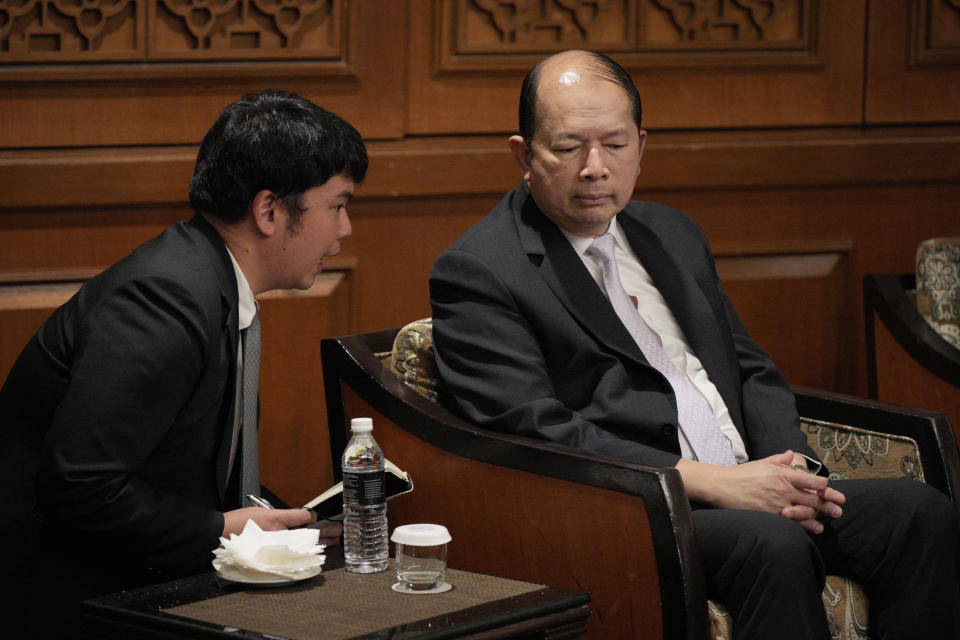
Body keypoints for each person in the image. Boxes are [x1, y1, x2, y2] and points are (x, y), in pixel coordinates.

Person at [429, 50, 960, 638]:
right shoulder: (482, 268)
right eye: (568, 146)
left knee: (919, 514)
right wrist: (710, 482)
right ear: (524, 155)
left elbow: (750, 369)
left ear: (642, 146)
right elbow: (534, 428)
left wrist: (795, 471)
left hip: (748, 480)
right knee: (773, 542)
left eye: (615, 143)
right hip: (631, 506)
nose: (594, 167)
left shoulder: (671, 232)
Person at [0, 90, 364, 633]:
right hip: (59, 600)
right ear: (269, 211)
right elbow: (81, 487)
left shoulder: (206, 281)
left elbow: (183, 470)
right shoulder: (162, 302)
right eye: (337, 205)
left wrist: (290, 525)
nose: (345, 229)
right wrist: (219, 529)